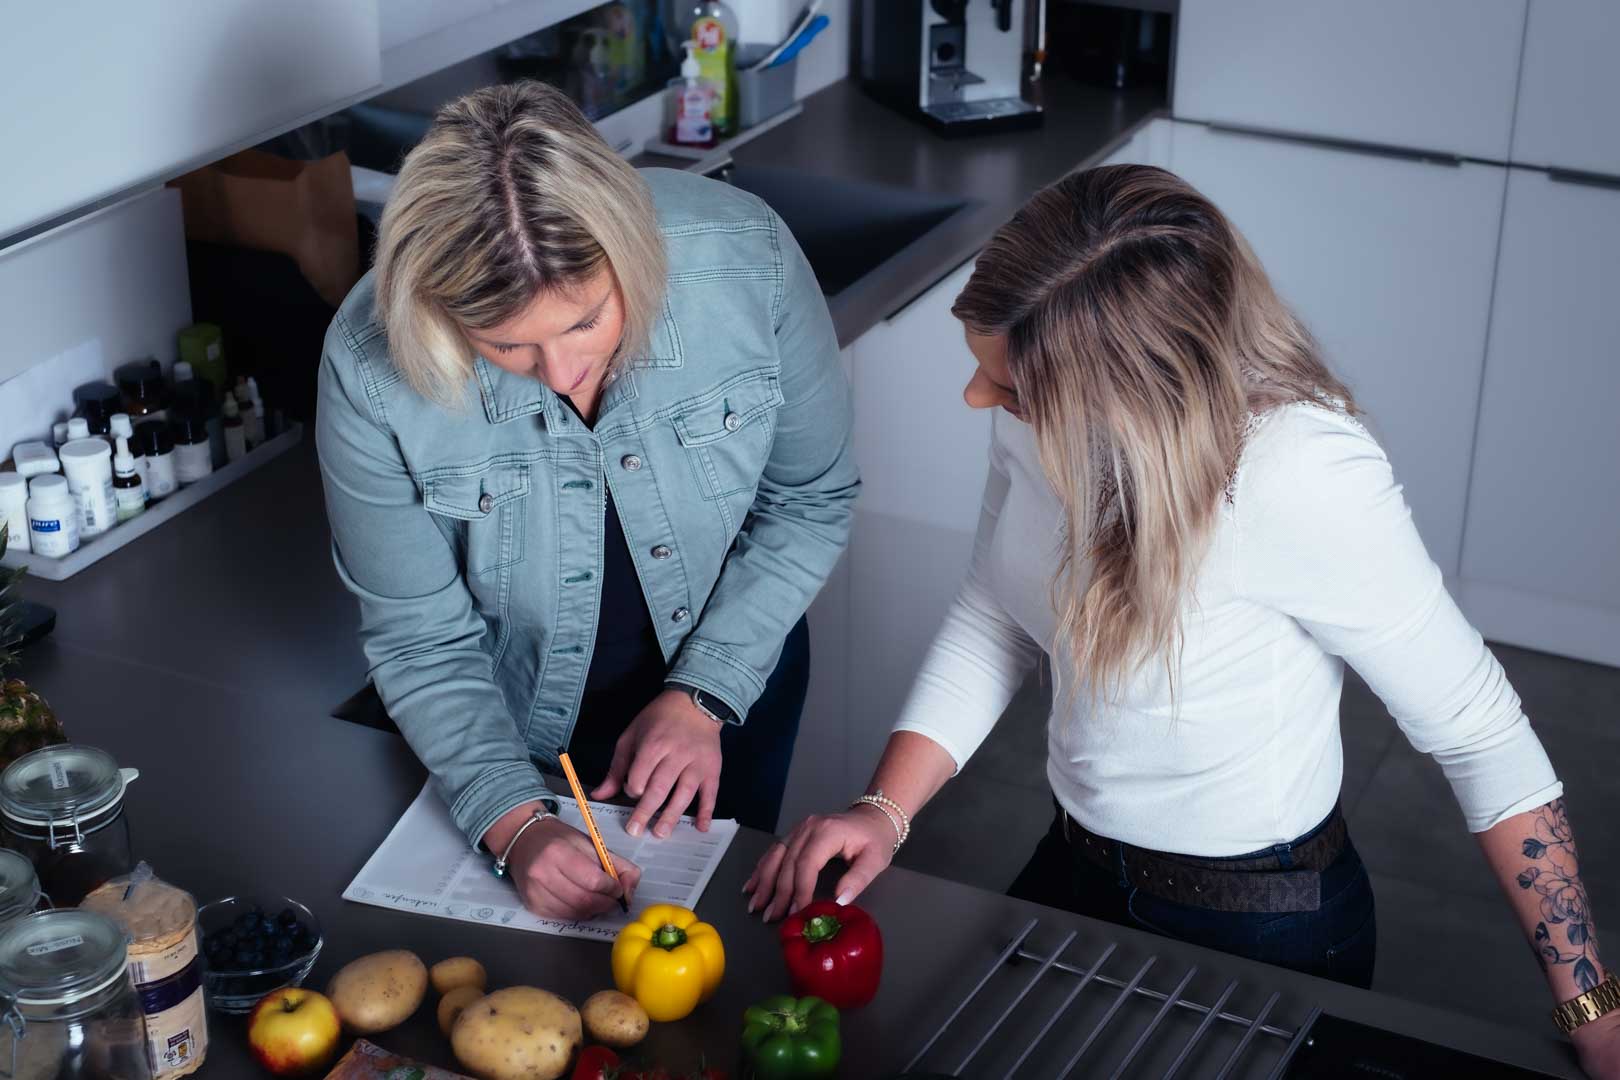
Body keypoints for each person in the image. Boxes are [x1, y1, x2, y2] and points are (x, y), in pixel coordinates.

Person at [748, 164, 1620, 1073]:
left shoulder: (1299, 472)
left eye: (1008, 390)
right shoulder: (1038, 410)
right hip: (1073, 864)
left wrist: (1595, 1013)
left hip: (1258, 919)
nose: (979, 400)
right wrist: (886, 809)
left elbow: (1483, 737)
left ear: (1130, 396)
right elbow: (996, 613)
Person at [319, 81, 857, 922]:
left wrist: (704, 695)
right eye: (506, 346)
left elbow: (810, 500)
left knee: (712, 950)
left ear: (630, 258)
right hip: (507, 726)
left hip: (736, 680)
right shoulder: (369, 364)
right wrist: (511, 822)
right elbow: (421, 639)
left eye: (585, 323)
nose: (564, 375)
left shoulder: (744, 254)